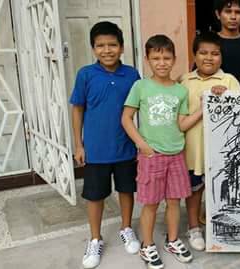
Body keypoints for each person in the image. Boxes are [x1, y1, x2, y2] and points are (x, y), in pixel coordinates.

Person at [121, 35, 200, 269]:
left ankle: (172, 240)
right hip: (151, 155)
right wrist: (141, 144)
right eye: (156, 58)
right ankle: (147, 245)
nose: (162, 62)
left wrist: (203, 109)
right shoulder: (141, 86)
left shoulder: (180, 91)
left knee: (174, 201)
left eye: (166, 58)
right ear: (147, 60)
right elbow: (126, 118)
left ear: (174, 59)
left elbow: (181, 124)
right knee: (151, 203)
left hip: (176, 153)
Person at [69, 21, 141, 269]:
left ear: (121, 47)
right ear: (93, 48)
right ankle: (95, 238)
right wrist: (78, 144)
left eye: (112, 45)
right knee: (95, 195)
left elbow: (142, 107)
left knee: (126, 190)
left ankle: (126, 228)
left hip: (125, 147)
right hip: (96, 150)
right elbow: (77, 109)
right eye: (100, 45)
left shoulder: (132, 74)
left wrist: (141, 142)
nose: (107, 50)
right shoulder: (86, 74)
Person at [180, 31, 240, 251]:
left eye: (215, 53)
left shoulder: (229, 80)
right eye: (203, 52)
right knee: (194, 190)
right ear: (194, 55)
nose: (208, 57)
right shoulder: (184, 81)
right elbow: (180, 117)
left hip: (222, 152)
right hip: (193, 151)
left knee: (223, 189)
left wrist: (225, 97)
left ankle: (222, 227)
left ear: (221, 57)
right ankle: (194, 227)